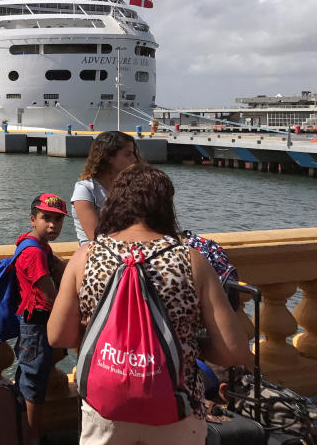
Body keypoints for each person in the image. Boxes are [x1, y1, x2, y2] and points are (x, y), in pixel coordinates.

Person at [48, 164, 252, 445]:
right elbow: (234, 350)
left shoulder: (86, 256)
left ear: (114, 203)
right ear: (166, 206)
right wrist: (182, 347)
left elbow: (58, 335)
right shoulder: (190, 260)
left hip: (105, 410)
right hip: (176, 408)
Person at [15, 194, 68, 445]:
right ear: (33, 219)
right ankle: (32, 437)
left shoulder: (35, 244)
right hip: (35, 326)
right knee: (34, 383)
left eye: (58, 220)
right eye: (46, 218)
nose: (52, 226)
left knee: (30, 378)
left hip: (34, 323)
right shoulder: (34, 253)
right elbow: (50, 296)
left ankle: (26, 432)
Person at [70, 131, 139, 244]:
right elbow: (96, 238)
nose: (134, 159)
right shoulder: (85, 190)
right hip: (96, 256)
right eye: (128, 154)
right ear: (109, 157)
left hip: (128, 251)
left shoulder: (131, 187)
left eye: (134, 154)